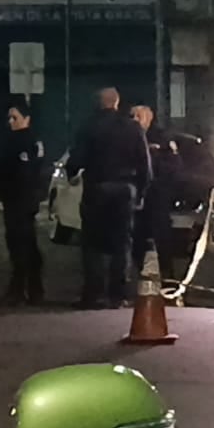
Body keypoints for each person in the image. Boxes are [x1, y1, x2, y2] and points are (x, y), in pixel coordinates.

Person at [66, 88, 151, 309]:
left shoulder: (89, 127)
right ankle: (118, 295)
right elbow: (145, 166)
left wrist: (72, 174)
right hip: (125, 190)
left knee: (92, 243)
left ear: (98, 103)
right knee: (122, 243)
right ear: (117, 102)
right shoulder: (133, 128)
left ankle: (93, 294)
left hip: (97, 188)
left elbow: (76, 158)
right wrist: (140, 193)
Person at [0, 101, 45, 306]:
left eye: (15, 117)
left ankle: (18, 290)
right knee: (27, 244)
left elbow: (22, 172)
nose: (11, 122)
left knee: (19, 245)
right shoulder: (27, 141)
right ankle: (34, 290)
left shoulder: (23, 141)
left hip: (19, 200)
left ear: (27, 119)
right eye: (9, 118)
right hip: (22, 199)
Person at [129, 105, 180, 284]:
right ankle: (140, 277)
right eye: (132, 115)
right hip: (136, 196)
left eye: (139, 116)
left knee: (162, 238)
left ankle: (168, 279)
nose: (135, 119)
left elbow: (174, 166)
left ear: (149, 119)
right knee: (136, 239)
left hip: (157, 195)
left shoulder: (162, 138)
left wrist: (155, 161)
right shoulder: (127, 137)